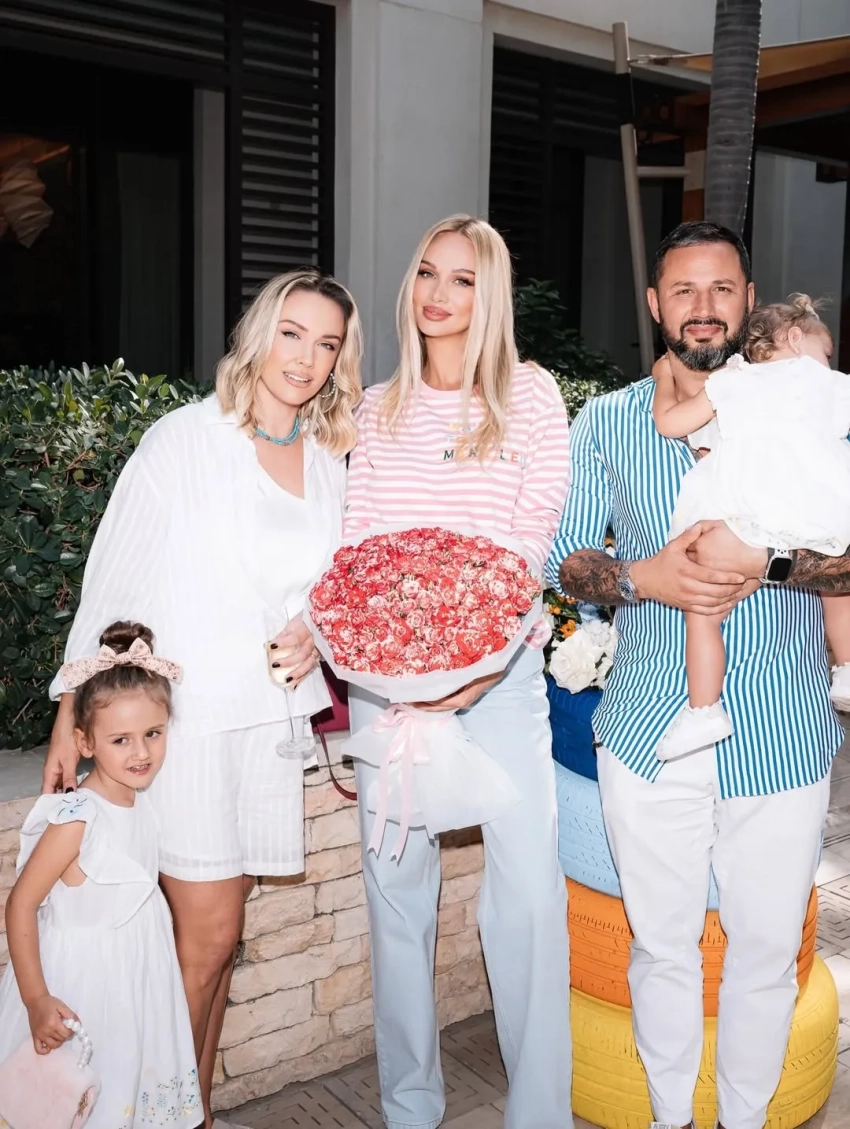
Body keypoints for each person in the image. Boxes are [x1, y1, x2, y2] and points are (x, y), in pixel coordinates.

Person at [40, 269, 363, 1129]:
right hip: (189, 725)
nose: (306, 357)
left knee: (218, 942)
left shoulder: (328, 458)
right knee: (209, 936)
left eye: (326, 343)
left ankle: (197, 1112)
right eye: (291, 332)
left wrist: (317, 633)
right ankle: (150, 1116)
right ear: (259, 332)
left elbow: (329, 589)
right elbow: (112, 579)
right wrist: (70, 713)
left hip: (269, 726)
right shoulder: (184, 439)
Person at [547, 220, 847, 1129]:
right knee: (661, 948)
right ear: (655, 304)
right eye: (684, 290)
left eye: (722, 288)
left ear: (749, 300)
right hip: (649, 730)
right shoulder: (607, 422)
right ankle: (672, 1117)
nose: (703, 307)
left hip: (784, 733)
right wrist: (645, 578)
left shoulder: (808, 401)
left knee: (765, 956)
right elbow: (568, 564)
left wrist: (773, 564)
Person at [344, 214, 573, 1129]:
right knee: (396, 897)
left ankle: (539, 1113)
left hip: (500, 679)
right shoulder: (377, 408)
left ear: (491, 296)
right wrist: (397, 676)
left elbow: (529, 545)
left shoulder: (531, 397)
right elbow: (358, 551)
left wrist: (475, 673)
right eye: (427, 273)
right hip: (388, 688)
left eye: (463, 279)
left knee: (528, 894)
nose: (438, 294)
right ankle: (410, 1107)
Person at [0, 621, 199, 1129]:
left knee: (125, 1093)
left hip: (136, 984)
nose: (141, 753)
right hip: (84, 989)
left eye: (153, 734)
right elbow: (21, 904)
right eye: (121, 740)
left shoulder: (141, 804)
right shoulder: (78, 818)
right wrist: (36, 1000)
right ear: (84, 742)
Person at [650, 294, 850, 760]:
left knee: (704, 612)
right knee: (837, 585)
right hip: (814, 512)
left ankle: (704, 710)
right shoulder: (825, 383)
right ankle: (845, 668)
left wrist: (663, 378)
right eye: (825, 353)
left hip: (743, 519)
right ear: (796, 338)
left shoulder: (732, 380)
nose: (827, 363)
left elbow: (670, 424)